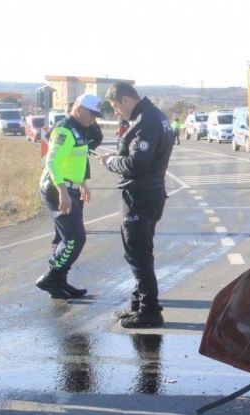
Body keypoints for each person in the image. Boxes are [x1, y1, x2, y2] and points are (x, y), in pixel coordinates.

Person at [98, 81, 173, 328]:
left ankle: (149, 311)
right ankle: (137, 304)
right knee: (140, 252)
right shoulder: (153, 116)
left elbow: (136, 164)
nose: (117, 112)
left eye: (116, 107)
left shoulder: (146, 121)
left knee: (138, 253)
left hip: (140, 195)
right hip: (149, 193)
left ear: (127, 100)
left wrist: (111, 162)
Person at [35, 94, 103, 299]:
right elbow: (53, 162)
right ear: (79, 109)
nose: (94, 119)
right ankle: (49, 278)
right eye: (92, 114)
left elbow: (75, 161)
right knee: (75, 238)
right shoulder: (64, 129)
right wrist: (63, 191)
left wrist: (82, 184)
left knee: (64, 238)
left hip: (71, 187)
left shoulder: (80, 128)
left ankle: (59, 281)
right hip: (57, 187)